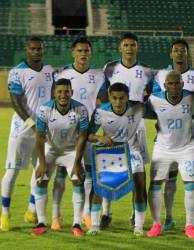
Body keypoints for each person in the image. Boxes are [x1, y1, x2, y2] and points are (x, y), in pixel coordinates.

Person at [152, 39, 194, 231]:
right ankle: (169, 218)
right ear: (171, 54)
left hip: (193, 132)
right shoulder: (161, 75)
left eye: (182, 50)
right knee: (169, 177)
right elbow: (154, 101)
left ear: (187, 53)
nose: (179, 53)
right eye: (176, 50)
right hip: (169, 133)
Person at [51, 37, 107, 230]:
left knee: (88, 173)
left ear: (90, 53)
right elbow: (55, 102)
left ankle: (85, 214)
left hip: (88, 131)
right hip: (65, 133)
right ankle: (56, 215)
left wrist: (94, 128)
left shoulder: (99, 75)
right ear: (73, 53)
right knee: (60, 172)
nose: (83, 54)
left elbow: (104, 102)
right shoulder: (62, 74)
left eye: (86, 51)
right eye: (80, 51)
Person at [1, 37, 55, 231]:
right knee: (12, 171)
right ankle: (5, 214)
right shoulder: (17, 72)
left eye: (39, 48)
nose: (36, 52)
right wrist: (33, 124)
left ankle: (32, 210)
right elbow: (15, 102)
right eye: (33, 49)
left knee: (42, 170)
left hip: (44, 130)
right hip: (22, 130)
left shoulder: (50, 71)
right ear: (27, 50)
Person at [102, 32, 153, 229]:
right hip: (114, 124)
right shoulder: (110, 68)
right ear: (120, 48)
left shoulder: (147, 70)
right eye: (126, 45)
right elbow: (105, 93)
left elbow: (150, 95)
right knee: (110, 167)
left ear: (137, 47)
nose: (129, 48)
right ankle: (106, 212)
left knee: (137, 170)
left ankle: (135, 213)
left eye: (132, 45)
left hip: (137, 125)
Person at [146, 71, 194, 239]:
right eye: (170, 83)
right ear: (165, 86)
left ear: (182, 84)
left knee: (190, 185)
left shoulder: (192, 98)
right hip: (162, 149)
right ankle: (157, 224)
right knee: (155, 185)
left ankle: (189, 225)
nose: (174, 86)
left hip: (186, 149)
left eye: (177, 83)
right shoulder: (154, 100)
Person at [87, 83, 147, 236]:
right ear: (109, 97)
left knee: (140, 182)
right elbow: (88, 134)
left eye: (122, 98)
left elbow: (160, 112)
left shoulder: (139, 107)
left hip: (131, 151)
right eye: (114, 98)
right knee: (98, 187)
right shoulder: (101, 112)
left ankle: (138, 226)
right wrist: (99, 137)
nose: (118, 102)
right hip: (110, 151)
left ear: (127, 97)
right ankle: (94, 225)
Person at [31, 78, 88, 236]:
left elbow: (83, 137)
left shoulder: (81, 110)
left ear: (72, 92)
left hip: (71, 150)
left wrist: (77, 162)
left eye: (66, 91)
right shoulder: (44, 110)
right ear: (54, 93)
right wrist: (42, 163)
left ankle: (77, 223)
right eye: (60, 91)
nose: (63, 95)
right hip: (51, 150)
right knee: (41, 179)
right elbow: (39, 137)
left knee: (77, 179)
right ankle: (42, 222)